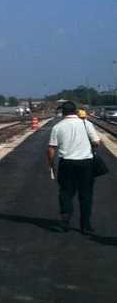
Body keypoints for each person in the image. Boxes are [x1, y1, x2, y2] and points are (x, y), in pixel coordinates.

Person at [47, 100, 101, 234]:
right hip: (86, 164)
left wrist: (52, 165)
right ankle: (86, 225)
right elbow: (97, 142)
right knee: (86, 194)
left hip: (67, 164)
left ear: (63, 112)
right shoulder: (86, 123)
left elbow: (51, 149)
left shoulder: (57, 127)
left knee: (66, 193)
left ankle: (65, 222)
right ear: (75, 111)